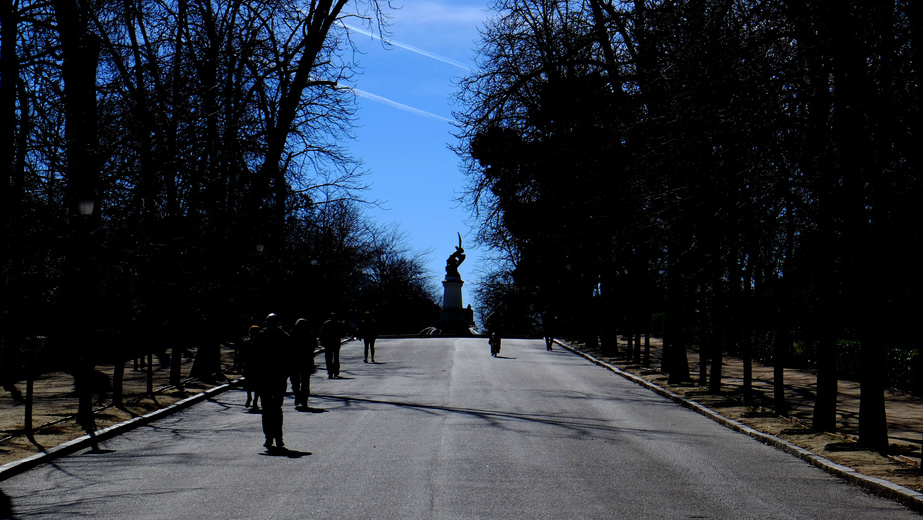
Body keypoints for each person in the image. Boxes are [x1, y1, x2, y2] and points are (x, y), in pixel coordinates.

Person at [250, 313, 291, 451]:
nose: (271, 324)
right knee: (268, 409)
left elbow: (290, 358)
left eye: (272, 322)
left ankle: (277, 438)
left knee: (274, 409)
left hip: (277, 378)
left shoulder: (284, 337)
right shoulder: (260, 337)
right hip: (265, 378)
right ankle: (270, 437)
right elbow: (253, 358)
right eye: (269, 322)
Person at [290, 318, 317, 410]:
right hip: (306, 361)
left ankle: (298, 395)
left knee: (295, 381)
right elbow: (314, 345)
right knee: (305, 382)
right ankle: (303, 399)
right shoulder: (309, 334)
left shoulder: (292, 333)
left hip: (295, 361)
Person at [237, 325, 261, 411]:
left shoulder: (245, 341)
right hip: (257, 366)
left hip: (249, 365)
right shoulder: (260, 342)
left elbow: (240, 355)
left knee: (249, 383)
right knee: (257, 385)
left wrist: (239, 365)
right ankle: (255, 401)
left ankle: (249, 397)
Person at [319, 313, 345, 378]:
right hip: (336, 343)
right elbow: (342, 333)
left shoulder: (326, 324)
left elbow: (321, 334)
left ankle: (330, 372)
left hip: (328, 343)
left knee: (328, 358)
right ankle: (336, 371)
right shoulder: (338, 324)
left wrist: (322, 342)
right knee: (336, 357)